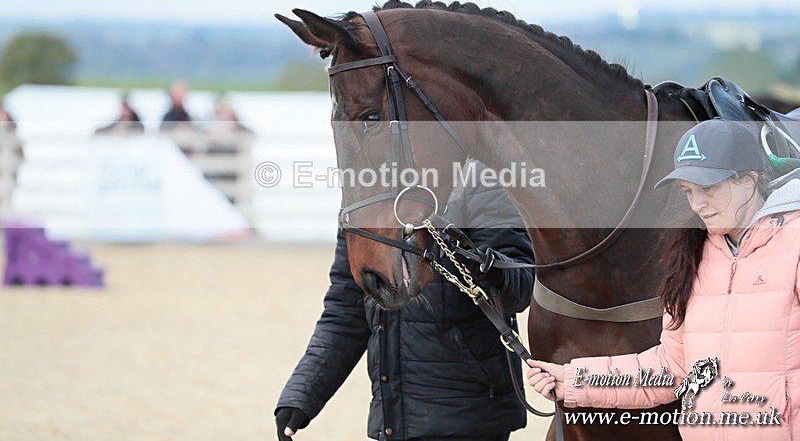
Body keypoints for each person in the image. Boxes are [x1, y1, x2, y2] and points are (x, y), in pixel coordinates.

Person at [527, 119, 800, 440]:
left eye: (708, 189)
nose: (698, 204)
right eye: (688, 191)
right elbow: (672, 368)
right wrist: (574, 380)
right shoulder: (690, 258)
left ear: (748, 181)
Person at [276, 162, 535, 441]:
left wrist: (488, 269)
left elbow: (519, 286)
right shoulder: (365, 193)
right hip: (395, 419)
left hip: (471, 416)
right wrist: (303, 395)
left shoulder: (478, 178)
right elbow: (346, 311)